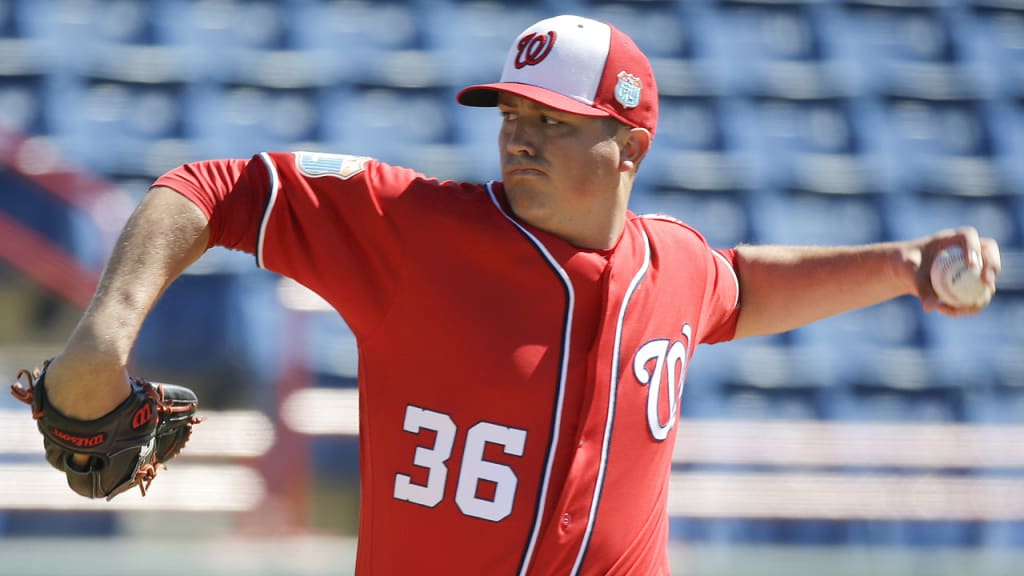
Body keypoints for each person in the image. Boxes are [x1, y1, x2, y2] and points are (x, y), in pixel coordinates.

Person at [32, 14, 999, 576]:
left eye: (554, 119)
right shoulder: (416, 231)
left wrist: (904, 264)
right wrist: (102, 341)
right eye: (512, 112)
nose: (518, 135)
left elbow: (740, 287)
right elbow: (215, 188)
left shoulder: (672, 268)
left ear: (631, 145)